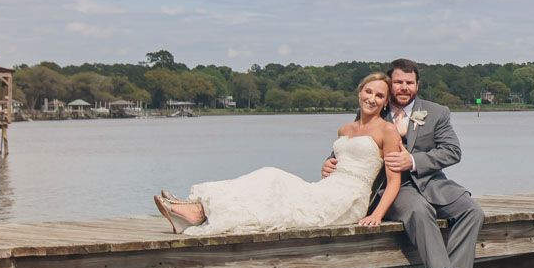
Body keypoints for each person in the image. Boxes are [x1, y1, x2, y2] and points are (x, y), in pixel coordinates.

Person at [324, 58, 483, 268]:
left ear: (417, 85)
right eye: (398, 82)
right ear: (390, 83)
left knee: (472, 211)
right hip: (392, 188)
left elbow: (452, 152)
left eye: (409, 83)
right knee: (419, 212)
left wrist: (413, 160)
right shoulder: (375, 108)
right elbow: (351, 147)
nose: (404, 87)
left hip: (431, 182)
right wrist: (328, 163)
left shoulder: (437, 112)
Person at [155, 73, 403, 236]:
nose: (372, 99)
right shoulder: (345, 129)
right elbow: (341, 162)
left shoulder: (387, 130)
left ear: (385, 103)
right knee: (270, 178)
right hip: (326, 188)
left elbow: (394, 181)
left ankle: (197, 212)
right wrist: (326, 167)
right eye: (368, 92)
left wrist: (376, 215)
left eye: (379, 96)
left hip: (349, 199)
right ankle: (197, 207)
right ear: (359, 92)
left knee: (274, 184)